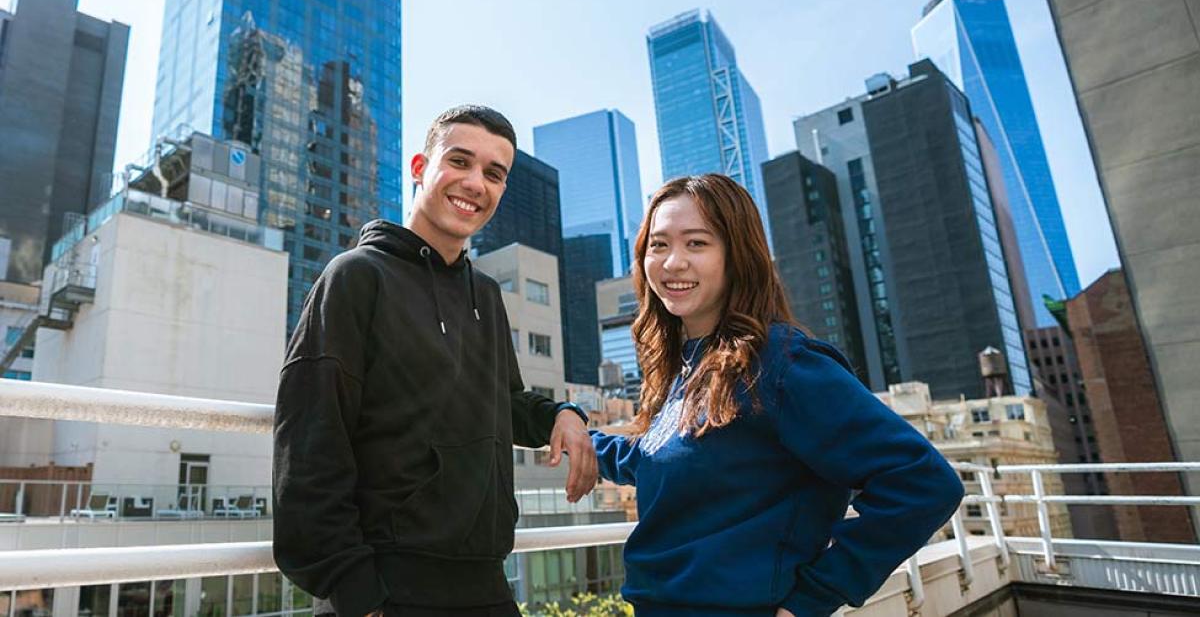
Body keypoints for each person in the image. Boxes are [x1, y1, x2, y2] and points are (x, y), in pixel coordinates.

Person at [273, 105, 598, 617]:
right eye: (460, 162)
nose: (476, 183)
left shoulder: (485, 295)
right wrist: (357, 594)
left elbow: (505, 403)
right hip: (385, 589)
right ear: (421, 168)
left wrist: (561, 414)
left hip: (486, 584)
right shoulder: (355, 277)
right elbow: (310, 442)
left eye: (494, 173)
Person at [591, 174, 965, 617]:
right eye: (658, 245)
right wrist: (571, 432)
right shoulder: (689, 368)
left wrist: (812, 599)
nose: (673, 262)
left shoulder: (780, 363)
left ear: (737, 255)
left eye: (697, 243)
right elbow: (659, 459)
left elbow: (925, 483)